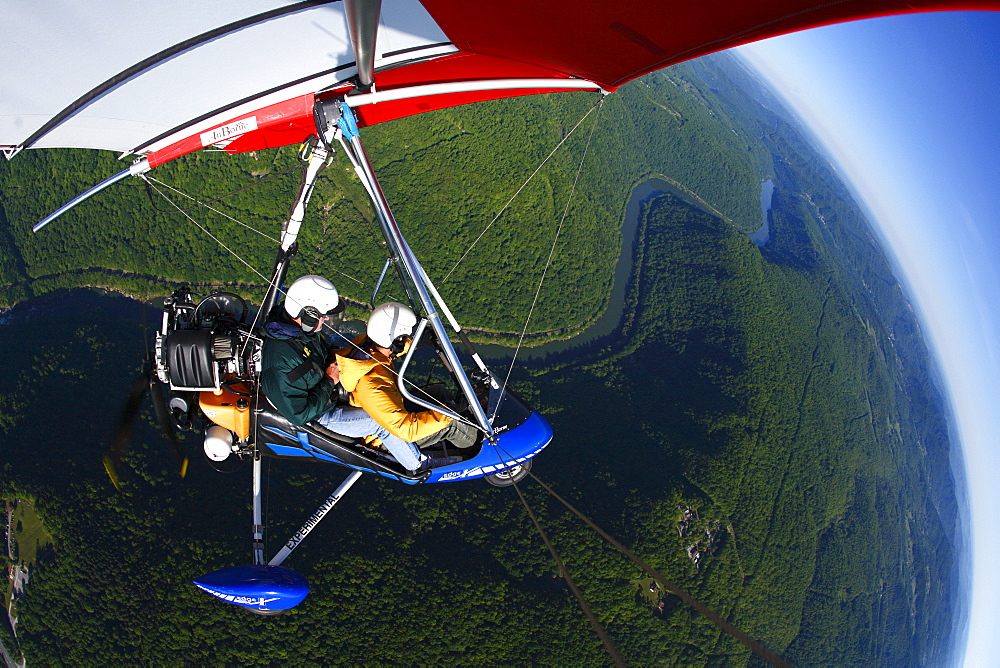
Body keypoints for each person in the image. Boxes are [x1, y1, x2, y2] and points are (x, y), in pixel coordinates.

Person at [260, 275, 426, 472]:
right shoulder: (283, 359)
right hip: (322, 414)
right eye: (322, 315)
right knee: (381, 424)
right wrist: (330, 380)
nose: (327, 319)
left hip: (329, 393)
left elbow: (321, 355)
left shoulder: (298, 334)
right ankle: (418, 464)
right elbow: (299, 414)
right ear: (308, 315)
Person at [336, 302, 480, 453]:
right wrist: (449, 413)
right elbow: (407, 430)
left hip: (394, 411)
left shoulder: (366, 348)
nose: (405, 339)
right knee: (453, 426)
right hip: (386, 438)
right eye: (404, 337)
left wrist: (416, 341)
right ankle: (480, 445)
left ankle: (471, 420)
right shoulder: (372, 384)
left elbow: (386, 351)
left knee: (439, 392)